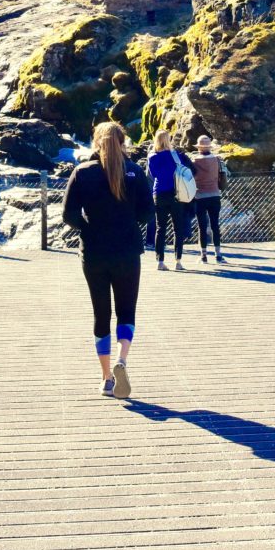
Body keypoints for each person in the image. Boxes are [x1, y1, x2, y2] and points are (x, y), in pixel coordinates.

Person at [62, 121, 153, 399]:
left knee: (101, 314)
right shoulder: (135, 172)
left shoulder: (82, 172)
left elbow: (68, 215)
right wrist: (128, 221)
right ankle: (122, 358)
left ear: (96, 142)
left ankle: (106, 378)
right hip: (127, 251)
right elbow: (148, 213)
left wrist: (89, 226)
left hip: (94, 253)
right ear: (123, 142)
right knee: (126, 312)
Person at [147, 129, 195, 271]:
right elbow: (182, 170)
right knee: (177, 228)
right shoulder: (175, 155)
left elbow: (153, 174)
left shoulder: (152, 156)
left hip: (159, 193)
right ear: (168, 140)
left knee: (160, 228)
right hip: (175, 193)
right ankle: (178, 261)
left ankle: (160, 261)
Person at [192, 135, 228, 264]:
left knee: (202, 226)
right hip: (214, 195)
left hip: (199, 196)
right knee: (215, 225)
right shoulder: (217, 160)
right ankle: (218, 255)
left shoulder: (194, 161)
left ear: (199, 147)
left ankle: (203, 255)